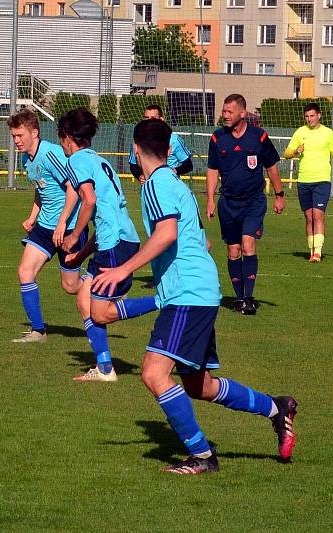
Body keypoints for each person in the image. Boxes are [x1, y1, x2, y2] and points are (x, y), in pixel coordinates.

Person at [92, 118, 297, 474]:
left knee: (155, 374)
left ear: (136, 150)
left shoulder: (155, 184)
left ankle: (203, 456)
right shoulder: (176, 183)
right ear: (170, 151)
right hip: (197, 289)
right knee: (199, 385)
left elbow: (167, 234)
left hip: (188, 291)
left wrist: (124, 270)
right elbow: (201, 240)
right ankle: (276, 408)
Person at [58, 108, 158, 382]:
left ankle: (164, 301)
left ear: (67, 138)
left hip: (114, 245)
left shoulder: (77, 161)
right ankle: (105, 369)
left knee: (100, 313)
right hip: (118, 239)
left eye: (61, 140)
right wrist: (82, 253)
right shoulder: (101, 161)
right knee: (83, 300)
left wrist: (73, 235)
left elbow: (89, 202)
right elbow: (106, 217)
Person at [7, 108, 90, 343]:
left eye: (20, 135)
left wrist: (63, 222)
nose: (16, 141)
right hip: (45, 227)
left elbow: (74, 187)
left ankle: (103, 284)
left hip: (70, 227)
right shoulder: (27, 159)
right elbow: (41, 189)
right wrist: (33, 216)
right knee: (25, 272)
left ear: (35, 132)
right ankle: (38, 331)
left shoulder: (51, 153)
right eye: (14, 136)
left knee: (71, 286)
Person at [205, 94, 286, 316]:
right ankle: (238, 298)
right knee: (233, 251)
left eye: (229, 112)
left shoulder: (259, 137)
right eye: (224, 111)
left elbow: (272, 168)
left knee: (248, 244)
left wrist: (279, 195)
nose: (225, 115)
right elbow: (212, 170)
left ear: (243, 113)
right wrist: (210, 199)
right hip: (228, 203)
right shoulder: (217, 138)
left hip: (253, 202)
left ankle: (249, 298)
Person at [282, 102, 333, 263]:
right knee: (308, 217)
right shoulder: (300, 132)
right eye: (306, 116)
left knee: (318, 215)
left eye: (312, 116)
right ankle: (311, 249)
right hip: (303, 180)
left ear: (319, 115)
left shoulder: (328, 133)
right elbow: (286, 154)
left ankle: (317, 253)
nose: (309, 119)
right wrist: (295, 151)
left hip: (322, 181)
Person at [128, 104, 194, 183]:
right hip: (148, 186)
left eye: (153, 118)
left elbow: (188, 165)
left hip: (169, 185)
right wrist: (139, 175)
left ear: (161, 119)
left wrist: (175, 171)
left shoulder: (174, 139)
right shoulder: (138, 139)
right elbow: (133, 164)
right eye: (146, 118)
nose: (149, 121)